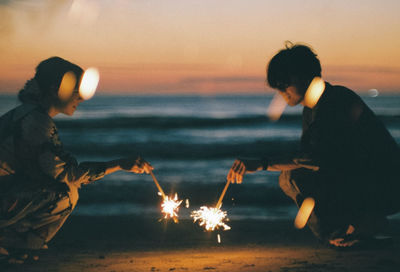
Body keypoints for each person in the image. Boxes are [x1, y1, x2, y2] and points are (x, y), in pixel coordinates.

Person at [227, 43, 400, 247]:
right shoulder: (313, 108)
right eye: (278, 85)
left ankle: (358, 225)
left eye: (285, 82)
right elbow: (316, 158)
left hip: (386, 185)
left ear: (305, 75)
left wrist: (263, 163)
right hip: (367, 181)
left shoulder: (334, 102)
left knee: (292, 177)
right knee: (294, 176)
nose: (281, 90)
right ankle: (358, 224)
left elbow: (314, 158)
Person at [0, 57, 153, 263]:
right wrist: (118, 164)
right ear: (56, 90)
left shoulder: (28, 115)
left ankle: (14, 244)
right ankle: (16, 244)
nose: (80, 99)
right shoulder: (36, 123)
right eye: (76, 93)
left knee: (59, 186)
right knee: (64, 192)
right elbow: (66, 175)